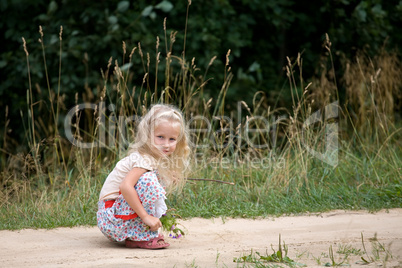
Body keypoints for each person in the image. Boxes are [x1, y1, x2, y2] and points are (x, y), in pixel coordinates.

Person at [97, 104, 191, 249]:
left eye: (172, 139)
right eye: (160, 137)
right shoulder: (144, 159)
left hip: (116, 214)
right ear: (147, 136)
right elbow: (125, 186)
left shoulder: (151, 159)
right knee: (148, 180)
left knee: (154, 178)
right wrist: (146, 217)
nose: (166, 144)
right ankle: (140, 236)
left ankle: (139, 233)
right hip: (111, 218)